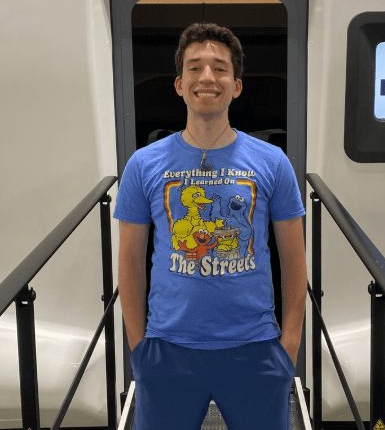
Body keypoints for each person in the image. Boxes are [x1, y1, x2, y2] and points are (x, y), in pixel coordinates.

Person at [115, 22, 307, 429]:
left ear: (236, 86)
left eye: (220, 68)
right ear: (179, 84)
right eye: (195, 67)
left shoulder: (272, 162)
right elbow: (129, 261)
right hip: (167, 348)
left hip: (256, 348)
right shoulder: (144, 164)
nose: (207, 77)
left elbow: (294, 259)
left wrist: (288, 347)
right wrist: (138, 348)